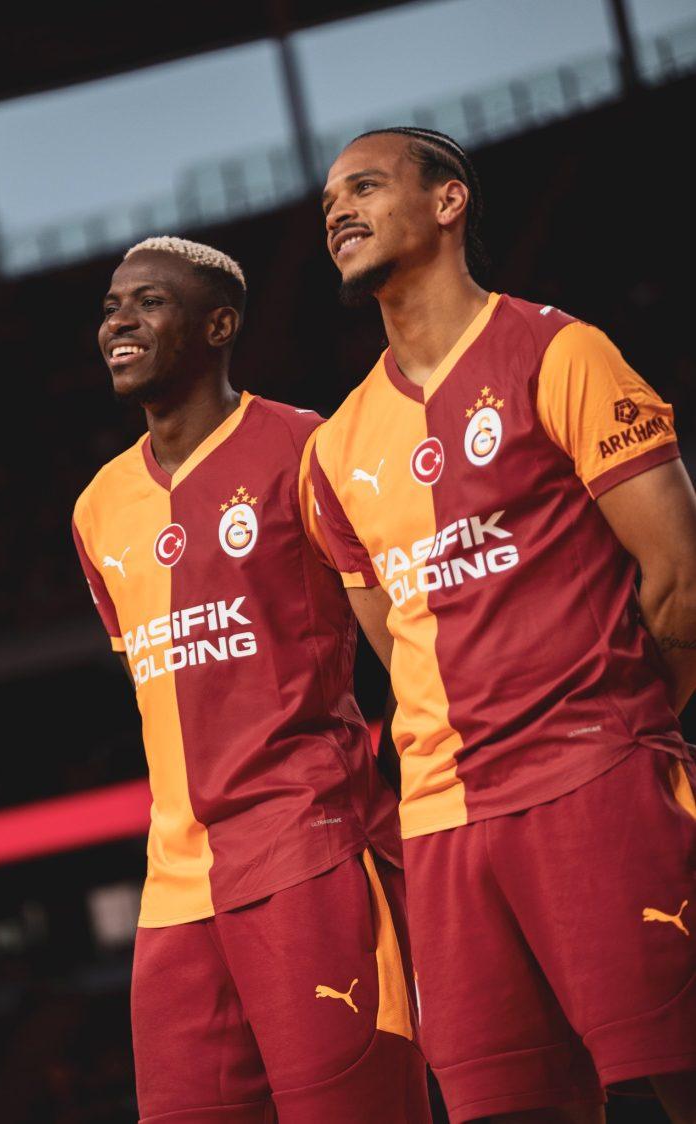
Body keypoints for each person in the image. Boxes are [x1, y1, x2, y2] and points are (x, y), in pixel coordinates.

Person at [311, 126, 696, 1124]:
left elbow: (681, 579)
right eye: (327, 204)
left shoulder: (562, 352)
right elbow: (396, 648)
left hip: (594, 777)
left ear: (449, 202)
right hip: (441, 827)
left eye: (364, 186)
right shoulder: (334, 449)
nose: (338, 211)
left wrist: (621, 721)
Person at [72, 236, 430, 1124]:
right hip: (173, 891)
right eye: (113, 305)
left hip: (309, 851)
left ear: (218, 325)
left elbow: (405, 634)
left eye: (149, 302)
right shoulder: (97, 507)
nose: (119, 319)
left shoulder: (309, 448)